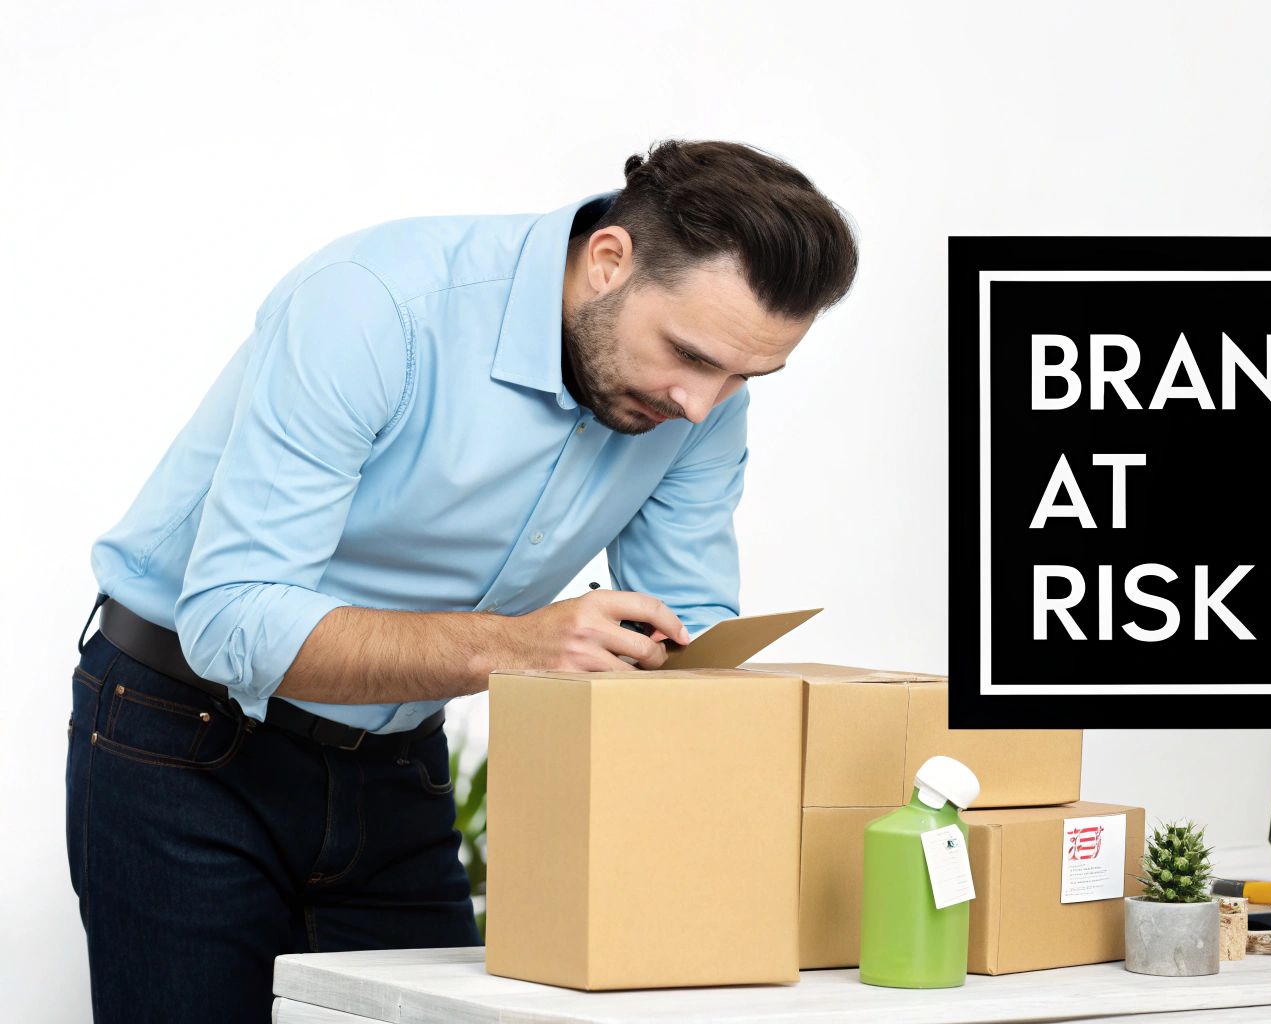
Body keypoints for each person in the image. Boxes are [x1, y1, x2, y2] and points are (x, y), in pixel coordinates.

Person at [66, 139, 859, 1022]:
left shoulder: (702, 406)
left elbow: (690, 632)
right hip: (182, 737)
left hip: (397, 764)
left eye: (745, 376)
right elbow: (232, 621)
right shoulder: (375, 305)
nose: (700, 405)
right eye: (690, 354)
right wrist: (518, 647)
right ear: (609, 261)